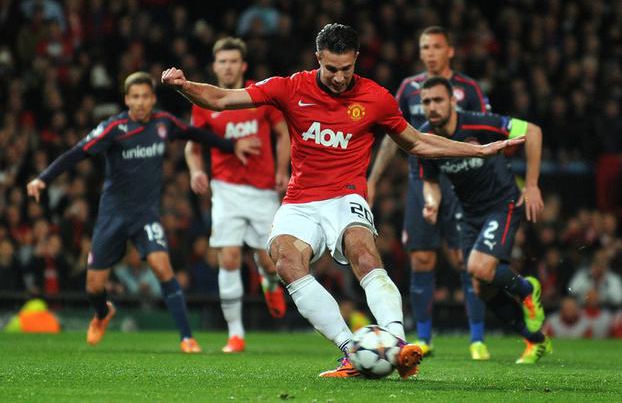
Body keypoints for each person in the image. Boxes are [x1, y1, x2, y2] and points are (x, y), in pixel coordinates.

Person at [161, 23, 522, 378]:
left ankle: (397, 345)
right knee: (285, 260)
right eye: (331, 68)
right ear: (318, 58)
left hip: (346, 194)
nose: (338, 77)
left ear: (356, 60)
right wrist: (184, 86)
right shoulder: (290, 87)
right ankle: (351, 351)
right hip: (301, 198)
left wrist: (482, 149)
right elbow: (222, 99)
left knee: (362, 249)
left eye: (346, 69)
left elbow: (417, 142)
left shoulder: (376, 98)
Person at [26, 71, 261, 352]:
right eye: (134, 97)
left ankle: (187, 338)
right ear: (127, 99)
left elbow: (195, 133)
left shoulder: (163, 123)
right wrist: (44, 178)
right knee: (93, 288)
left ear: (152, 99)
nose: (140, 102)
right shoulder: (113, 128)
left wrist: (231, 146)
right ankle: (103, 313)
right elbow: (78, 152)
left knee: (163, 268)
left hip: (146, 214)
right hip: (113, 215)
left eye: (145, 96)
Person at [367, 26, 491, 359]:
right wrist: (373, 179)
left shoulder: (469, 89)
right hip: (422, 182)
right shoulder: (409, 88)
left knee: (466, 260)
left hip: (462, 185)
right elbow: (393, 138)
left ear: (450, 50)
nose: (430, 52)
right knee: (422, 258)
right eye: (425, 47)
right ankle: (423, 338)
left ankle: (477, 339)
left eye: (436, 46)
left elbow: (485, 134)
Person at [417, 76, 550, 363]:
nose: (432, 107)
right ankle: (535, 340)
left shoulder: (478, 123)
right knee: (481, 286)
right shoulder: (425, 138)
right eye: (426, 102)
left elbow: (533, 131)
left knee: (478, 266)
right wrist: (431, 203)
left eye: (438, 100)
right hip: (471, 213)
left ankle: (528, 289)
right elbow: (431, 182)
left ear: (453, 101)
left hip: (502, 204)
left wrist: (531, 184)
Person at [185, 37, 290, 353]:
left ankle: (269, 282)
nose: (227, 66)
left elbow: (283, 133)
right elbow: (193, 145)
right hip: (226, 190)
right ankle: (236, 334)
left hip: (262, 191)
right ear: (214, 66)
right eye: (222, 61)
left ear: (242, 66)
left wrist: (284, 170)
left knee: (271, 263)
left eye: (233, 61)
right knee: (228, 258)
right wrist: (196, 171)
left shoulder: (256, 95)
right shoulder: (204, 101)